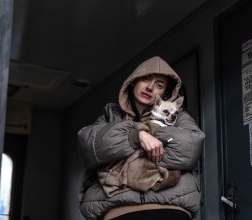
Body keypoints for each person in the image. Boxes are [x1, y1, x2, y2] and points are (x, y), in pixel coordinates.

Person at [77, 56, 205, 219]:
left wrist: (148, 136)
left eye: (159, 84)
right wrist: (136, 135)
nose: (150, 87)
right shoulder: (111, 114)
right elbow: (87, 145)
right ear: (133, 82)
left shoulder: (178, 116)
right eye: (145, 79)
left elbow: (190, 147)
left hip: (170, 206)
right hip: (119, 209)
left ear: (164, 92)